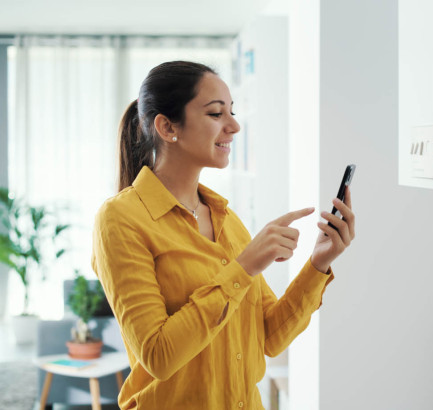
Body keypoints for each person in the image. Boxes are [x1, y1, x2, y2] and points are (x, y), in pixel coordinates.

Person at [90, 61, 355, 409]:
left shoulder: (225, 219)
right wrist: (242, 268)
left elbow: (269, 337)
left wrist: (319, 264)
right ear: (168, 127)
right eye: (216, 114)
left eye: (232, 112)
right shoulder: (121, 219)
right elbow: (158, 356)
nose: (234, 125)